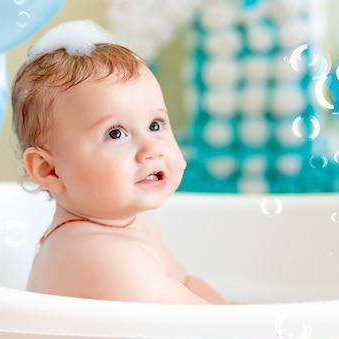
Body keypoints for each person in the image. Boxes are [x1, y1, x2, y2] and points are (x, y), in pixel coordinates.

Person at [11, 20, 225, 304]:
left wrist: (235, 307)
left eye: (156, 125)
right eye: (116, 133)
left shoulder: (135, 224)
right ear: (49, 170)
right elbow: (209, 327)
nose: (151, 149)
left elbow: (187, 285)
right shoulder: (100, 254)